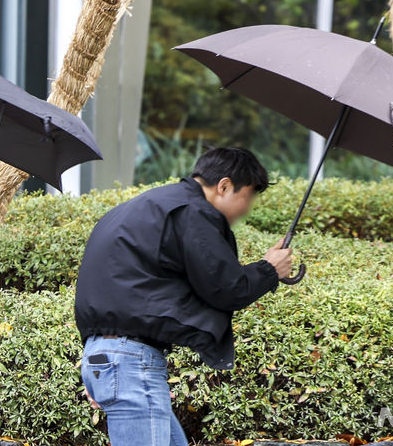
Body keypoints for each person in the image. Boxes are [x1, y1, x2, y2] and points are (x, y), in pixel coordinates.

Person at [75, 147, 294, 446]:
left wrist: (100, 364)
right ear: (225, 186)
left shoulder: (147, 206)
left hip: (106, 356)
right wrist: (270, 270)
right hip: (130, 364)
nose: (248, 208)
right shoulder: (193, 211)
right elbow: (225, 287)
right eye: (249, 196)